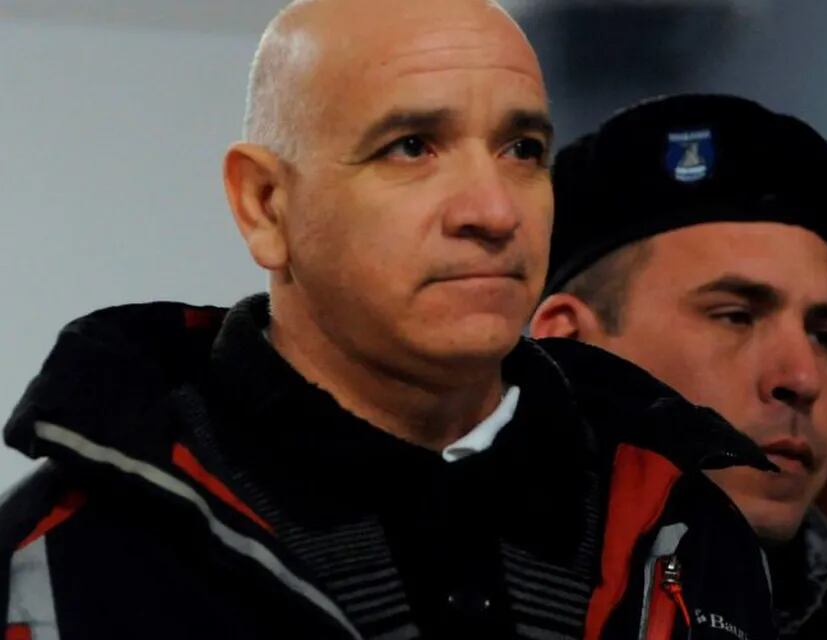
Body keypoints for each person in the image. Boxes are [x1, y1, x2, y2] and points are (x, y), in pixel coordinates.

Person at [0, 6, 777, 640]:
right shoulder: (68, 554)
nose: (494, 210)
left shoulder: (685, 528)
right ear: (265, 205)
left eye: (523, 148)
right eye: (412, 147)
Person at [531, 93, 827, 639]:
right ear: (570, 347)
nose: (802, 379)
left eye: (823, 335)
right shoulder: (434, 594)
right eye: (736, 317)